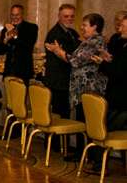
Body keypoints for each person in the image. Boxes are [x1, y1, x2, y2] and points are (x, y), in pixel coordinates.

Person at [46, 13, 108, 161]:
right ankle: (82, 152)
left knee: (87, 122)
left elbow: (75, 60)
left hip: (89, 89)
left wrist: (58, 51)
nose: (81, 28)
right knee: (82, 120)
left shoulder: (95, 42)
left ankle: (86, 154)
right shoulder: (89, 41)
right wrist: (59, 51)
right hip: (83, 90)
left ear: (94, 27)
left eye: (84, 25)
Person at [86, 16, 127, 174]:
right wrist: (110, 60)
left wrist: (102, 64)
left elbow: (118, 73)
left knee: (101, 128)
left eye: (123, 26)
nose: (119, 29)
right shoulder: (122, 44)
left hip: (120, 99)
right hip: (120, 97)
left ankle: (99, 166)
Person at [44, 4, 81, 120]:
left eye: (72, 16)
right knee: (59, 116)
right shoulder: (55, 34)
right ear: (59, 17)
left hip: (66, 82)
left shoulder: (72, 33)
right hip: (58, 82)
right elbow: (65, 52)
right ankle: (56, 138)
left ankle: (63, 138)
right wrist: (79, 42)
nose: (69, 19)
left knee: (65, 115)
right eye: (66, 16)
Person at [0, 4, 38, 85]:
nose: (15, 17)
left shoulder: (31, 28)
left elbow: (28, 46)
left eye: (17, 15)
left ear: (23, 15)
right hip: (9, 71)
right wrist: (5, 40)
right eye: (13, 15)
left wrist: (15, 36)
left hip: (23, 71)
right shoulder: (5, 30)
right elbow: (0, 51)